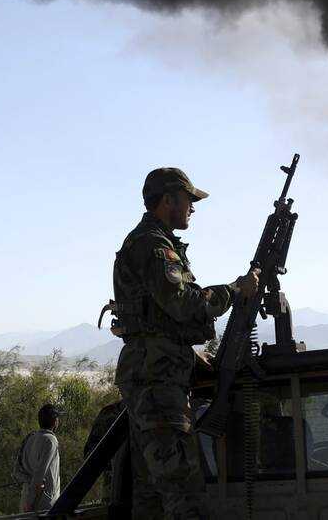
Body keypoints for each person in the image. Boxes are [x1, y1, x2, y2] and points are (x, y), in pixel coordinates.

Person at [112, 167, 261, 518]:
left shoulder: (151, 242)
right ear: (167, 201)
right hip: (158, 382)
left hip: (153, 374)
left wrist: (192, 358)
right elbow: (182, 303)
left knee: (151, 494)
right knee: (184, 492)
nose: (193, 207)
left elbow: (158, 320)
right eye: (188, 200)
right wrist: (236, 290)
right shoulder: (153, 245)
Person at [15, 403, 62, 512]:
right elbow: (39, 474)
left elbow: (17, 471)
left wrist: (27, 499)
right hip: (43, 504)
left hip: (26, 498)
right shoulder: (50, 440)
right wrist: (29, 503)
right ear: (55, 421)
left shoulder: (29, 438)